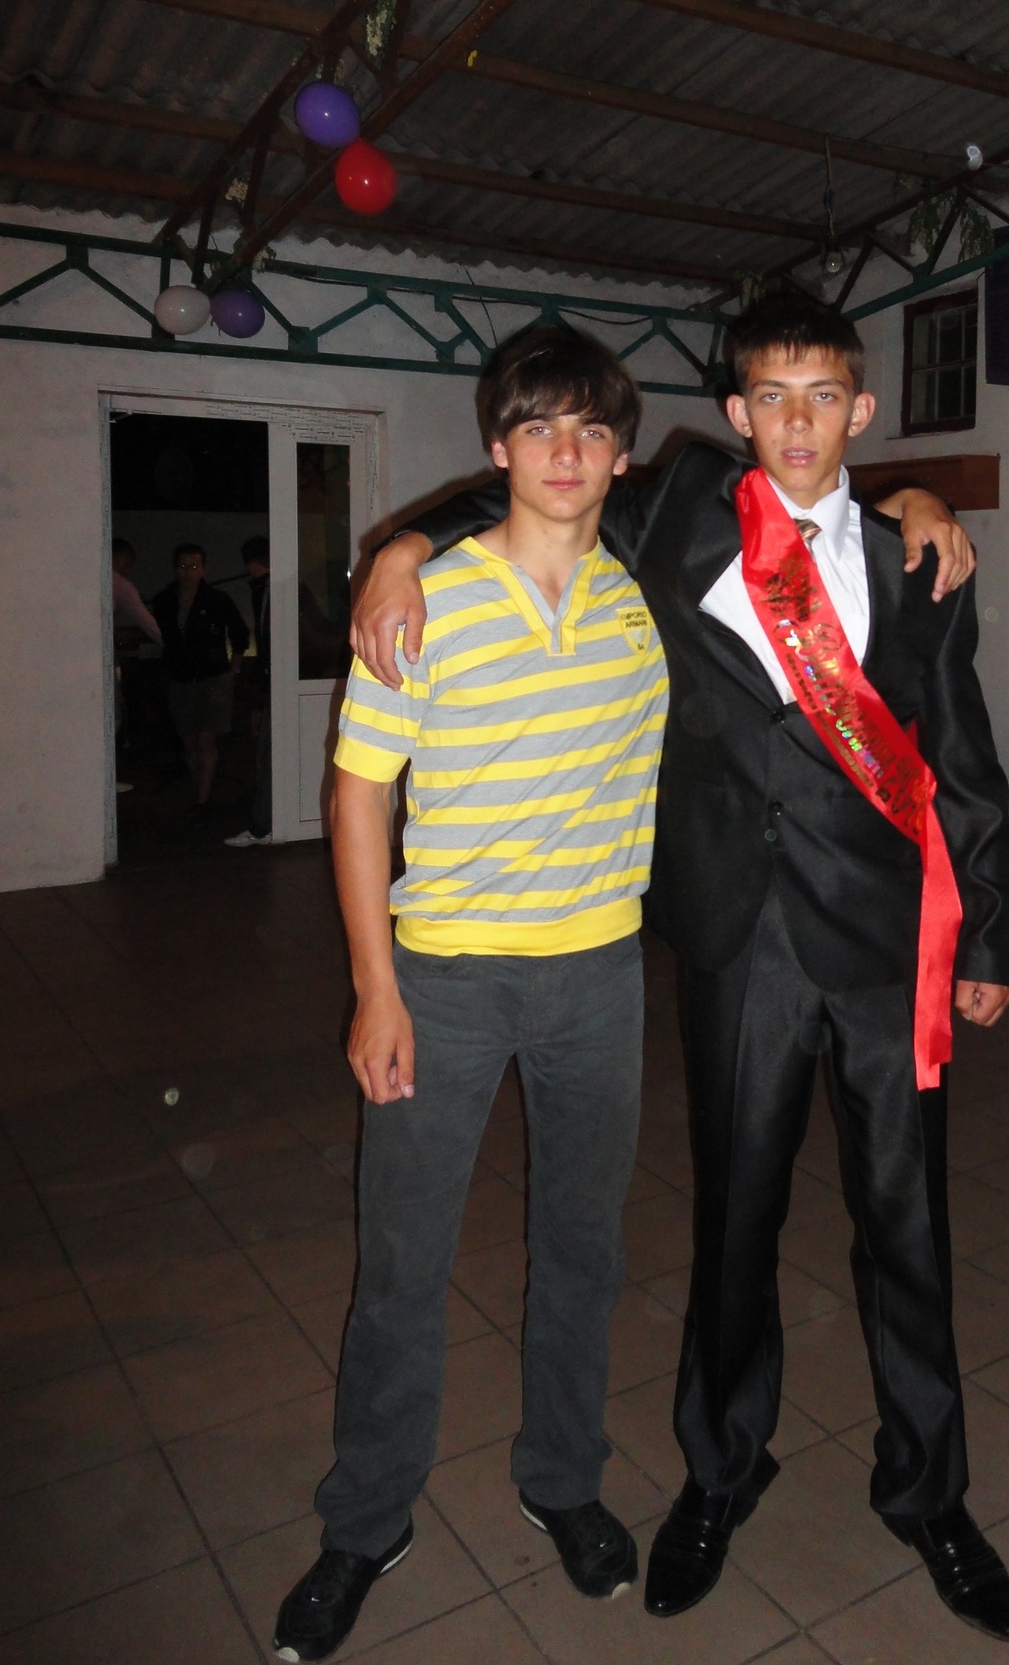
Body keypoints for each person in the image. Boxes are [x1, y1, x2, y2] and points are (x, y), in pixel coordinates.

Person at [352, 295, 1009, 1642]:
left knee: (909, 1228)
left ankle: (931, 1492)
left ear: (861, 409)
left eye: (822, 396)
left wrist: (991, 931)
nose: (796, 422)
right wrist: (398, 547)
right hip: (739, 940)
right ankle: (721, 1473)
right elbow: (535, 480)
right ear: (735, 413)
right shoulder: (682, 514)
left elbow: (962, 752)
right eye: (771, 396)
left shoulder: (916, 560)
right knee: (734, 1225)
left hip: (887, 943)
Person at [273, 327, 668, 1664]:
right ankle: (365, 1520)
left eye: (591, 429)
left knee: (584, 1253)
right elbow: (357, 798)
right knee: (403, 1263)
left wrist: (918, 500)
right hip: (442, 979)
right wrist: (373, 991)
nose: (566, 451)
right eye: (539, 426)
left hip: (601, 976)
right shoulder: (425, 599)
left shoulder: (644, 599)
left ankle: (563, 1480)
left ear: (621, 455)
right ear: (497, 447)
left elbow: (799, 500)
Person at [150, 543, 248, 814]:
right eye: (183, 566)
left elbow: (239, 632)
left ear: (203, 570)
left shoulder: (217, 599)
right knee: (189, 741)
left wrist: (234, 668)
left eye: (194, 566)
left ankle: (202, 801)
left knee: (206, 739)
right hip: (179, 678)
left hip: (212, 678)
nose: (188, 572)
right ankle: (200, 789)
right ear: (175, 569)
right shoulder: (164, 600)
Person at [225, 534, 273, 847]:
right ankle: (265, 823)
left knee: (268, 758)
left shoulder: (270, 590)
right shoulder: (265, 589)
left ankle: (263, 826)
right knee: (266, 757)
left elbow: (268, 645)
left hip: (276, 685)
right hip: (273, 685)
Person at [111, 537, 161, 792]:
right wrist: (179, 644)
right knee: (113, 717)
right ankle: (105, 777)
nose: (127, 569)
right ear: (120, 558)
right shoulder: (120, 584)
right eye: (127, 563)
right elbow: (149, 625)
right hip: (102, 661)